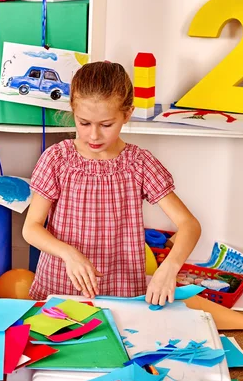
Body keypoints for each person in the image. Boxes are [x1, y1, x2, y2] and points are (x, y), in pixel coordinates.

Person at [23, 61, 201, 306]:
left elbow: (189, 225)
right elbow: (31, 228)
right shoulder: (57, 159)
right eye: (84, 123)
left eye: (106, 125)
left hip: (122, 290)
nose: (94, 135)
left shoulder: (139, 163)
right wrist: (68, 253)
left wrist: (170, 266)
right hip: (61, 284)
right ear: (72, 111)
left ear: (127, 114)